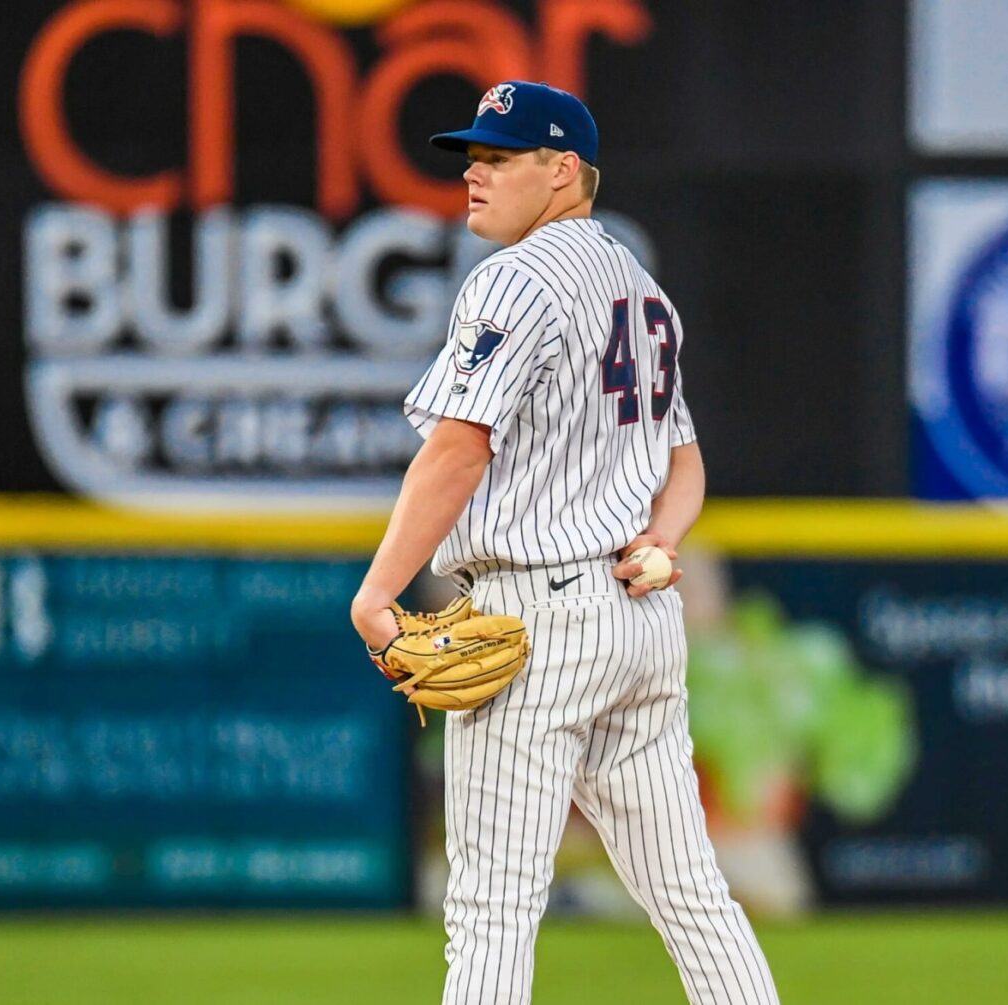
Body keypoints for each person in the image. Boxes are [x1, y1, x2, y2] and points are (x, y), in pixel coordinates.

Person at [351, 80, 778, 1005]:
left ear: (563, 171)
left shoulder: (516, 278)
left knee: (493, 908)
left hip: (536, 616)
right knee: (693, 897)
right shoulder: (644, 290)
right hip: (639, 622)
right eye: (474, 154)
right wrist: (663, 541)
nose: (475, 171)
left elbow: (459, 449)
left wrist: (377, 594)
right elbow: (687, 463)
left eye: (500, 157)